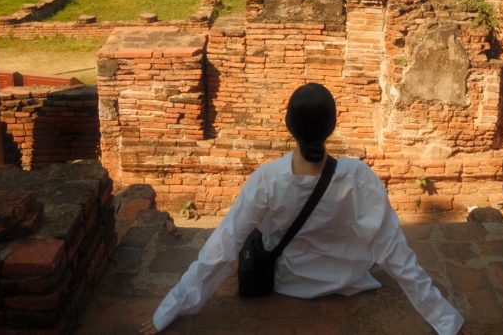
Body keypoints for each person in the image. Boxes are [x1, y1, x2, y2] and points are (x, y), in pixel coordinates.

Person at [139, 82, 465, 334]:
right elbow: (395, 253)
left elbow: (222, 248)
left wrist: (167, 310)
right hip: (348, 277)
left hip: (287, 281)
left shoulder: (267, 178)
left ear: (289, 125)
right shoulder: (358, 176)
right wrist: (444, 318)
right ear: (332, 126)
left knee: (249, 228)